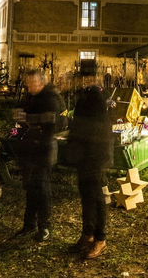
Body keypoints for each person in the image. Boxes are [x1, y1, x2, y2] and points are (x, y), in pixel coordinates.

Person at [13, 70, 63, 242]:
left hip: (44, 148)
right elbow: (20, 115)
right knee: (31, 187)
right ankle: (29, 224)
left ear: (41, 82)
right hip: (30, 147)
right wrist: (23, 120)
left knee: (42, 188)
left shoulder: (51, 97)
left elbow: (53, 121)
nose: (29, 87)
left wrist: (29, 118)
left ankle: (44, 226)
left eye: (32, 83)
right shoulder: (31, 97)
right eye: (28, 84)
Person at [67, 86, 113, 259]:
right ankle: (88, 234)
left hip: (94, 157)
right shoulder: (84, 98)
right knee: (86, 197)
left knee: (96, 198)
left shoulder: (95, 100)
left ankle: (100, 238)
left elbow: (98, 132)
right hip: (83, 157)